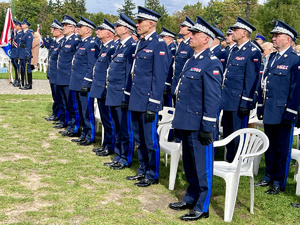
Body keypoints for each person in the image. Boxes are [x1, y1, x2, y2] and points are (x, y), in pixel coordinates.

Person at [169, 16, 222, 221]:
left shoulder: (211, 63)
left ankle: (202, 206)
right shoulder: (193, 59)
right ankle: (190, 198)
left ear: (206, 39)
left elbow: (212, 97)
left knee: (202, 168)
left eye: (195, 34)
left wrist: (208, 126)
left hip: (200, 123)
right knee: (189, 164)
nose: (190, 37)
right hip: (186, 121)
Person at [124, 6, 168, 187]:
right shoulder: (141, 43)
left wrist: (153, 103)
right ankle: (142, 170)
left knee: (150, 140)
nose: (137, 24)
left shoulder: (159, 44)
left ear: (151, 23)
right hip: (136, 98)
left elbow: (159, 77)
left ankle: (152, 174)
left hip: (148, 100)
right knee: (139, 138)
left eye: (140, 21)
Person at [255, 20, 300, 195]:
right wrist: (260, 106)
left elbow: (297, 90)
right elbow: (264, 83)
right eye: (273, 35)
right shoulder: (272, 58)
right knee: (271, 146)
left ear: (287, 39)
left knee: (283, 148)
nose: (273, 38)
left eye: (277, 35)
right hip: (270, 109)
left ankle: (279, 181)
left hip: (283, 112)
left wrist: (291, 112)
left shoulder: (295, 60)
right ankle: (268, 176)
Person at [220, 17, 261, 163]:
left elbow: (251, 80)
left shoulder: (252, 52)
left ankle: (238, 163)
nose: (232, 32)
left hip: (239, 102)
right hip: (227, 100)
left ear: (244, 33)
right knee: (228, 133)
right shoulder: (233, 50)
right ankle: (230, 161)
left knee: (238, 136)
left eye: (235, 30)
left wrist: (246, 102)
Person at [102, 13, 136, 169]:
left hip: (121, 93)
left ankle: (126, 158)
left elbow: (130, 74)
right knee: (117, 126)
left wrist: (126, 95)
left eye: (118, 26)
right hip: (113, 91)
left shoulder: (131, 47)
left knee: (125, 129)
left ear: (126, 29)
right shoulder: (120, 45)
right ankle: (118, 155)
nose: (115, 27)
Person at [68, 16, 100, 146]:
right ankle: (83, 134)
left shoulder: (92, 44)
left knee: (87, 111)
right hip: (76, 82)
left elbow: (91, 65)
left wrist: (87, 82)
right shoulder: (82, 43)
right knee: (80, 110)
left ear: (87, 30)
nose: (77, 29)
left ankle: (90, 135)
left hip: (84, 84)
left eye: (80, 27)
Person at [89, 19, 116, 155]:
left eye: (101, 29)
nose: (97, 31)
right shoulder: (105, 47)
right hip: (100, 88)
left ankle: (110, 146)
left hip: (106, 89)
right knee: (106, 120)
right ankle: (105, 144)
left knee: (109, 121)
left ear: (109, 33)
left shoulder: (112, 48)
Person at [56, 15, 81, 135]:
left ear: (73, 28)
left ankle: (74, 127)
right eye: (63, 26)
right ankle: (67, 123)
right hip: (61, 76)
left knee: (72, 105)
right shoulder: (65, 41)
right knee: (64, 102)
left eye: (66, 26)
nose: (63, 28)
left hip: (69, 77)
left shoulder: (75, 41)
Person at [46, 20, 66, 126]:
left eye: (54, 29)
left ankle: (60, 116)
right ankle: (56, 114)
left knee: (60, 97)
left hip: (58, 75)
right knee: (55, 96)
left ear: (60, 31)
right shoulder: (55, 42)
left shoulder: (62, 43)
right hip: (52, 74)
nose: (51, 30)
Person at [171, 17, 194, 106]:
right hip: (176, 83)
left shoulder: (191, 45)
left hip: (184, 86)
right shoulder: (182, 44)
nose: (180, 27)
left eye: (183, 26)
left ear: (189, 30)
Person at [159, 27, 177, 107]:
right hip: (163, 80)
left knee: (167, 105)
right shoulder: (166, 48)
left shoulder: (172, 49)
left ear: (169, 38)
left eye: (163, 37)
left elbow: (169, 67)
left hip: (167, 82)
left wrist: (167, 83)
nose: (161, 39)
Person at [19, 19, 33, 90]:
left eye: (23, 24)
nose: (22, 25)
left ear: (27, 26)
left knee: (27, 68)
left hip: (26, 53)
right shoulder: (23, 33)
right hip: (22, 53)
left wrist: (27, 54)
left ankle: (29, 84)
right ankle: (23, 82)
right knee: (22, 68)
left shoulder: (29, 34)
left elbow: (29, 45)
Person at [11, 20, 23, 87]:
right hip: (13, 53)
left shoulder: (20, 34)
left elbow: (18, 45)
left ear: (19, 26)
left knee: (18, 67)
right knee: (15, 67)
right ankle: (16, 79)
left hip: (17, 53)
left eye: (15, 25)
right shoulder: (16, 34)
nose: (14, 26)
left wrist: (18, 55)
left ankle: (19, 80)